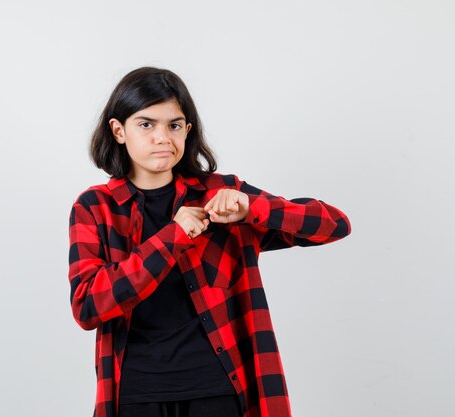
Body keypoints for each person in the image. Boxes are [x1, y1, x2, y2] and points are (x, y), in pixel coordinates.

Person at [67, 67, 351, 417]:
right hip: (136, 394)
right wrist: (173, 236)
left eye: (174, 125)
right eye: (146, 124)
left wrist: (252, 208)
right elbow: (87, 306)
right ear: (118, 130)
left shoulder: (221, 195)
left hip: (218, 391)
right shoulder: (96, 207)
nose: (162, 137)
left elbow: (334, 224)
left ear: (187, 130)